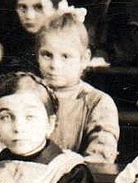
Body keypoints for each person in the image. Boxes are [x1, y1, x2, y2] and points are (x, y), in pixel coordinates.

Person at [39, 12, 118, 163]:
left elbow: (101, 155)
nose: (54, 65)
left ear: (85, 59)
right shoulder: (29, 94)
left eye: (65, 56)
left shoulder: (98, 102)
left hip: (74, 180)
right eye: (47, 55)